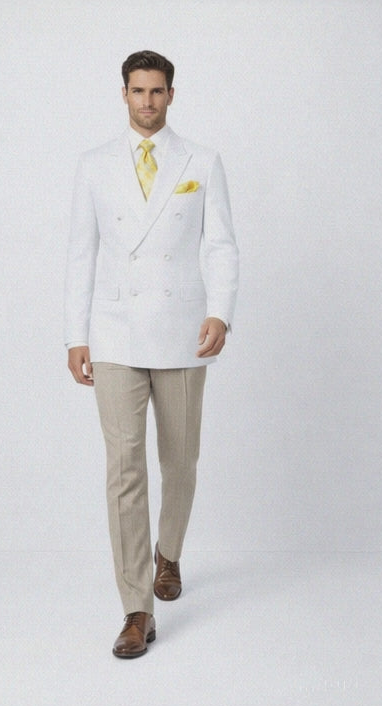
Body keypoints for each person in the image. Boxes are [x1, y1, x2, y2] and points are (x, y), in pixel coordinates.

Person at [64, 50, 239, 658]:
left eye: (157, 91)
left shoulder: (202, 161)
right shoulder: (94, 164)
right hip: (114, 331)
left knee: (181, 461)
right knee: (124, 468)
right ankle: (136, 608)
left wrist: (221, 311)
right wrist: (76, 334)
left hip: (183, 329)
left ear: (171, 94)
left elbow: (220, 244)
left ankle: (170, 553)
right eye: (137, 91)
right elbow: (80, 253)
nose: (147, 101)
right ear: (124, 94)